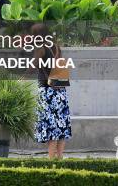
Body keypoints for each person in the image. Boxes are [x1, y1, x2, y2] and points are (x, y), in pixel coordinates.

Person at [31, 23, 72, 159]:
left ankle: (50, 161)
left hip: (47, 92)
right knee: (60, 126)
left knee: (51, 128)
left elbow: (33, 66)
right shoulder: (55, 47)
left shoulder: (40, 48)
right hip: (60, 91)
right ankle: (59, 158)